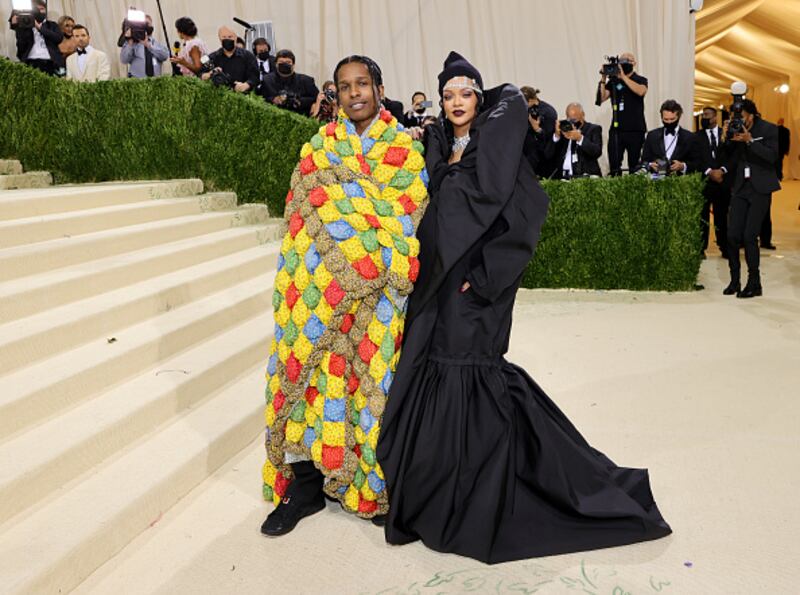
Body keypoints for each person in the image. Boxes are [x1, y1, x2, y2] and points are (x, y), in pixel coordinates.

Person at [376, 51, 672, 564]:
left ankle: (483, 491)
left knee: (471, 372)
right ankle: (436, 487)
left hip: (475, 290)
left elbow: (524, 217)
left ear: (479, 98)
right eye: (447, 95)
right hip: (436, 284)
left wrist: (482, 280)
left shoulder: (498, 148)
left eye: (465, 93)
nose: (455, 102)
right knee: (437, 368)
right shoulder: (437, 146)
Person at [260, 55, 429, 536]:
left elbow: (404, 215)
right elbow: (301, 213)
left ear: (379, 88)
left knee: (372, 387)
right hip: (318, 289)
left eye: (363, 84)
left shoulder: (404, 150)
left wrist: (362, 258)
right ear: (335, 94)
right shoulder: (320, 147)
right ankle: (306, 485)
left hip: (377, 294)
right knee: (312, 380)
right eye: (345, 86)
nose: (354, 93)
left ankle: (369, 482)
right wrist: (321, 281)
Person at [719, 99, 781, 298]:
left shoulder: (769, 129)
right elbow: (727, 156)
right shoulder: (735, 128)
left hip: (760, 188)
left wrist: (750, 140)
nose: (739, 120)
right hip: (740, 187)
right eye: (735, 117)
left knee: (749, 236)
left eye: (742, 117)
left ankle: (755, 283)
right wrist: (725, 138)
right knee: (732, 235)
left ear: (752, 115)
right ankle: (734, 281)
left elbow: (772, 156)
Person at [597, 53, 648, 175]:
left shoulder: (640, 79)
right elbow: (601, 98)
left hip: (635, 129)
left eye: (627, 60)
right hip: (617, 130)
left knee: (634, 166)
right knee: (614, 166)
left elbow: (641, 91)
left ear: (634, 63)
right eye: (621, 60)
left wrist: (623, 77)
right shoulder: (614, 82)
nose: (624, 63)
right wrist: (603, 79)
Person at [696, 106, 730, 258]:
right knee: (702, 216)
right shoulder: (697, 136)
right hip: (705, 181)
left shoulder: (727, 134)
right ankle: (701, 248)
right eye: (703, 115)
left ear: (715, 117)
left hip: (722, 182)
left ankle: (724, 246)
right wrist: (709, 171)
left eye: (707, 115)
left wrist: (722, 170)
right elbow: (696, 158)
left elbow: (733, 155)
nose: (704, 118)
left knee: (722, 216)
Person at [640, 99, 701, 175]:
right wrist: (650, 165)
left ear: (679, 117)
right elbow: (644, 161)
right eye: (666, 119)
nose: (669, 122)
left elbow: (697, 163)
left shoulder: (690, 137)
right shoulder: (652, 135)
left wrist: (682, 166)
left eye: (672, 119)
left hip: (681, 180)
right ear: (661, 117)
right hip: (656, 178)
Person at [545, 102, 603, 179]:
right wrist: (556, 136)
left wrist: (580, 138)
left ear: (583, 115)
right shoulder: (563, 130)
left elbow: (597, 152)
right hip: (562, 177)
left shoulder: (593, 129)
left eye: (574, 120)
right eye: (569, 120)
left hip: (584, 176)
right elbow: (548, 154)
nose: (572, 123)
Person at [8, 0, 64, 76]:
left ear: (46, 10)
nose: (39, 12)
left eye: (41, 9)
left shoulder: (52, 25)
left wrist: (40, 28)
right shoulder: (25, 26)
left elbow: (58, 38)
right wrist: (18, 26)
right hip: (30, 62)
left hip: (51, 62)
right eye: (36, 9)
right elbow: (21, 45)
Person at [761, 117, 790, 249]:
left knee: (765, 213)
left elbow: (771, 156)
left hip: (764, 181)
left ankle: (765, 240)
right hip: (746, 182)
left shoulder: (770, 134)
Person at [201, 27, 259, 93]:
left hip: (244, 96)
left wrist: (246, 85)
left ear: (235, 38)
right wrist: (209, 74)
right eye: (224, 37)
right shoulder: (212, 57)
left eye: (230, 37)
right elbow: (200, 75)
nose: (227, 39)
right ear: (220, 39)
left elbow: (255, 77)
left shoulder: (248, 56)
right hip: (219, 95)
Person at [260, 49, 318, 113]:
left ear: (293, 65)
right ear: (276, 64)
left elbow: (317, 98)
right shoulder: (267, 80)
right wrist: (274, 100)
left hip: (301, 115)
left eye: (288, 62)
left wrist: (299, 101)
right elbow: (261, 99)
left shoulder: (306, 81)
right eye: (281, 62)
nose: (284, 64)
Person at [520, 86, 557, 178]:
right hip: (526, 155)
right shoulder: (522, 110)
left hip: (542, 159)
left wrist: (537, 129)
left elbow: (550, 139)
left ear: (531, 100)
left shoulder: (548, 112)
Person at [120, 14, 169, 78]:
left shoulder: (156, 44)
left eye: (147, 24)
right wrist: (130, 43)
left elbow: (165, 56)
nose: (145, 27)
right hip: (136, 80)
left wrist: (148, 45)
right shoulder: (132, 44)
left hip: (155, 81)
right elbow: (124, 60)